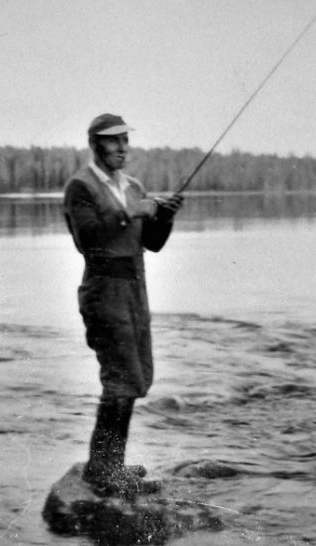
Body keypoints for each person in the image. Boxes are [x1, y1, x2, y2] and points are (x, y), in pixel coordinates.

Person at [62, 113, 185, 498]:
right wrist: (134, 211)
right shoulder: (80, 187)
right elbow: (88, 237)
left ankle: (111, 464)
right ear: (95, 144)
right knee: (119, 378)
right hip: (103, 290)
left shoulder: (133, 186)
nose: (122, 148)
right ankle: (102, 470)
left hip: (134, 290)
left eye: (125, 141)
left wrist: (165, 217)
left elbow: (153, 243)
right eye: (114, 141)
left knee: (134, 377)